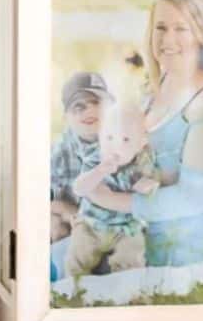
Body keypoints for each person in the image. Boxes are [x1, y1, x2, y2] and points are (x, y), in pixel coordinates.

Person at [79, 0, 203, 268]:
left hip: (188, 260)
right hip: (134, 242)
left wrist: (108, 199)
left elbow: (193, 199)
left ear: (201, 34)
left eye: (181, 28)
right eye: (160, 28)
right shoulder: (155, 88)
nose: (167, 39)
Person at [66, 103, 160, 277]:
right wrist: (99, 171)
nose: (115, 145)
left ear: (140, 144)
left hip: (125, 229)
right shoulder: (95, 159)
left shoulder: (141, 162)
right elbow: (79, 188)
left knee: (133, 253)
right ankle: (75, 287)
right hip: (91, 224)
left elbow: (144, 183)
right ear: (100, 137)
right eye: (109, 137)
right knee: (79, 253)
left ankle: (125, 285)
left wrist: (147, 186)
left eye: (125, 140)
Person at [50, 72, 113, 243]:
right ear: (66, 117)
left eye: (96, 103)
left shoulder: (123, 142)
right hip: (75, 223)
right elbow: (39, 201)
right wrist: (67, 212)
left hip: (115, 224)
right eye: (79, 107)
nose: (90, 111)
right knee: (54, 224)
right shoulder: (58, 153)